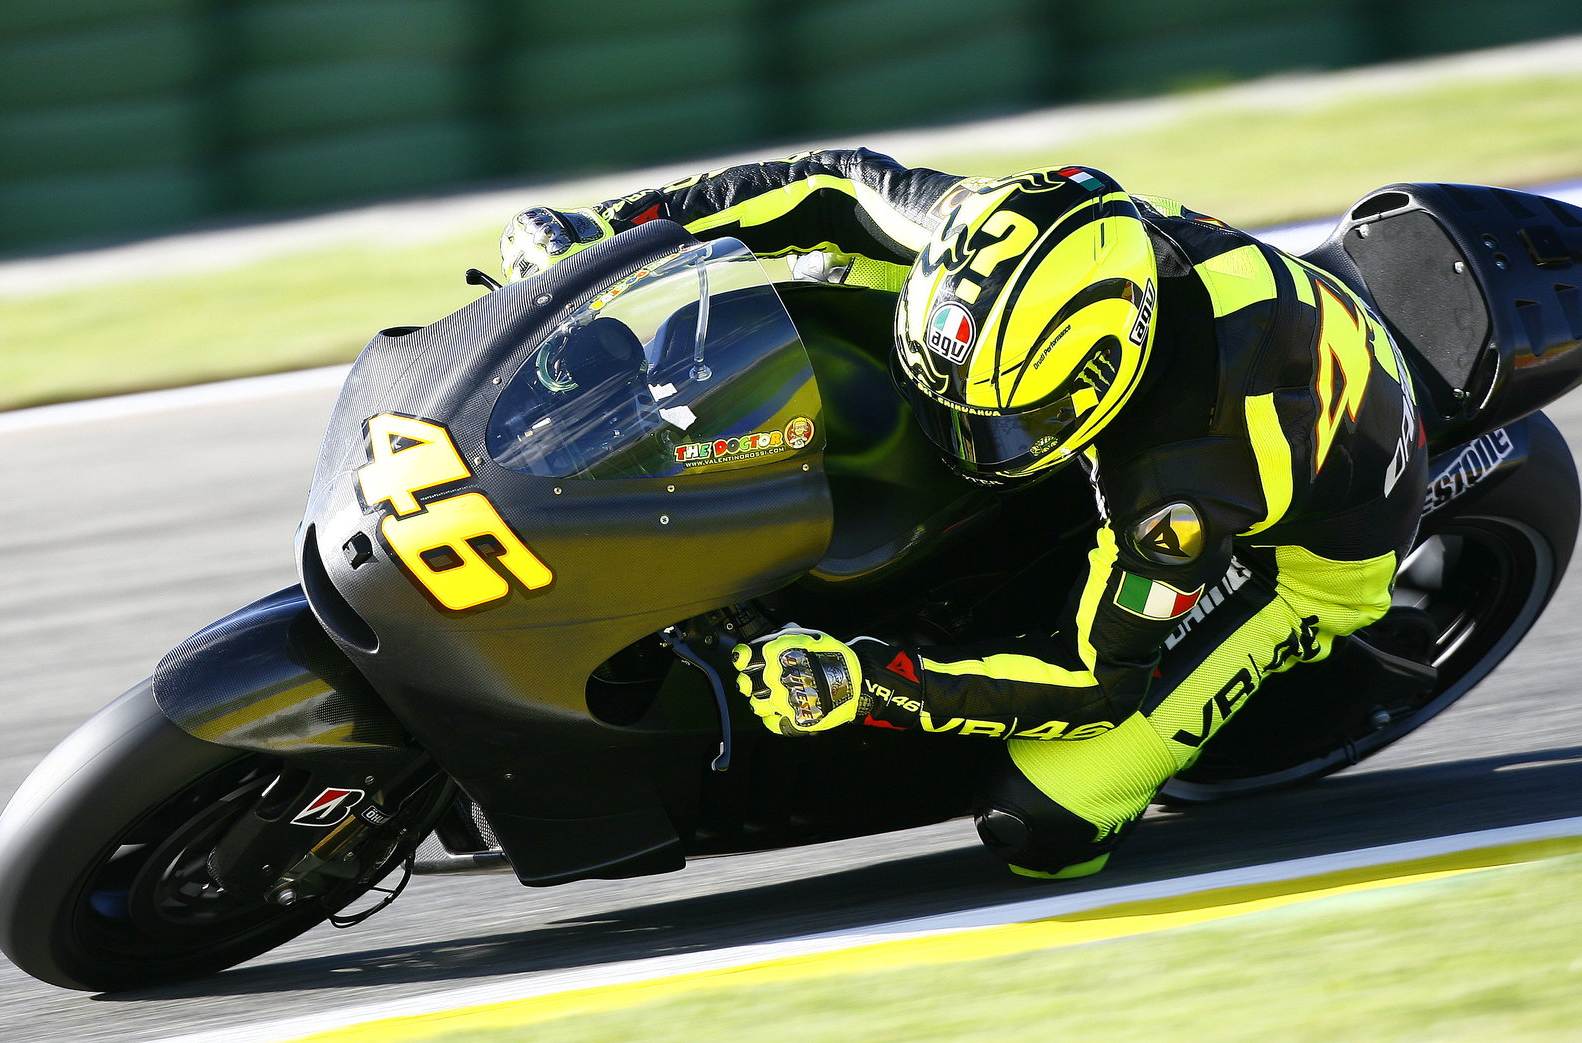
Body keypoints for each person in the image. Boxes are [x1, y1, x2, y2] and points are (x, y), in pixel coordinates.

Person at [499, 148, 1427, 879]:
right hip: (1262, 340)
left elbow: (1096, 680)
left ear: (1106, 376)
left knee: (1043, 822)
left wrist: (867, 683)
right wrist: (613, 231)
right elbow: (827, 184)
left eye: (1008, 424)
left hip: (1310, 548)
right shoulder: (1003, 231)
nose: (969, 440)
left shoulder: (1175, 489)